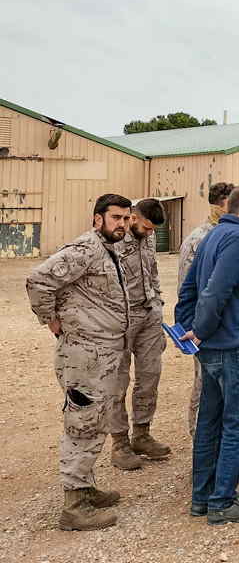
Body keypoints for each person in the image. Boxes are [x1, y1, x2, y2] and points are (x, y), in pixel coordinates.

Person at [26, 193, 133, 531]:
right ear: (97, 219)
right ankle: (74, 506)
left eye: (126, 218)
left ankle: (85, 488)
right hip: (84, 355)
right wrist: (52, 321)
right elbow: (38, 280)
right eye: (115, 217)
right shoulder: (85, 249)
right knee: (82, 424)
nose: (122, 224)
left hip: (103, 354)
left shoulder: (108, 249)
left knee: (96, 420)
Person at [175, 184, 239, 526]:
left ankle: (203, 498)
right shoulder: (238, 239)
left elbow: (189, 287)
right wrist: (198, 329)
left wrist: (186, 326)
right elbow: (217, 288)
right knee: (237, 423)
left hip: (212, 346)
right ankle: (223, 502)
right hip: (234, 345)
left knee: (209, 422)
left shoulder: (213, 235)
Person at [109, 198, 170, 470]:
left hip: (149, 316)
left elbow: (153, 273)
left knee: (149, 377)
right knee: (117, 382)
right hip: (120, 320)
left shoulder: (148, 238)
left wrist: (158, 305)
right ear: (133, 217)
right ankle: (120, 444)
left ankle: (142, 434)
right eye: (146, 226)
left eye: (153, 229)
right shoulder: (112, 240)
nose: (150, 232)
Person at [178, 181, 234, 437]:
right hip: (204, 328)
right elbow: (188, 290)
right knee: (204, 385)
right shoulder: (202, 238)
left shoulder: (226, 233)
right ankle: (200, 441)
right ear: (223, 204)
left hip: (221, 326)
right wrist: (196, 327)